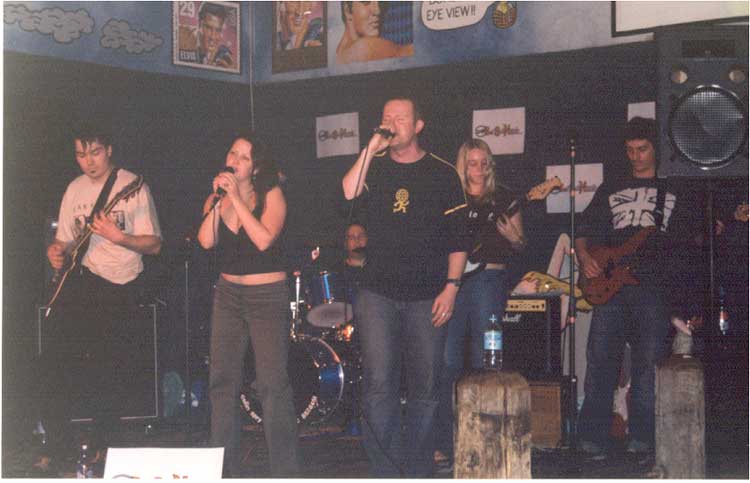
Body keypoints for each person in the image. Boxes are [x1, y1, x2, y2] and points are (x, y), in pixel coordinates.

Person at [342, 97, 470, 476]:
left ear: (418, 126)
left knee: (425, 387)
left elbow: (459, 239)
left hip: (427, 295)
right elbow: (348, 192)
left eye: (400, 118)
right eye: (386, 117)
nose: (392, 123)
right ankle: (386, 470)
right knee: (378, 384)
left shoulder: (442, 173)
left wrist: (451, 287)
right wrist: (370, 149)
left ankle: (417, 470)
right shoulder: (376, 166)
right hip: (377, 293)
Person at [36, 122, 162, 473]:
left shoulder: (132, 185)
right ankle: (57, 445)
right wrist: (55, 252)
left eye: (94, 152)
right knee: (52, 360)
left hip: (121, 283)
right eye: (80, 154)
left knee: (107, 369)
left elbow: (154, 244)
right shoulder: (74, 188)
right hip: (83, 279)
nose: (88, 161)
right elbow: (63, 240)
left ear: (109, 150)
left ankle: (106, 447)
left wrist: (120, 237)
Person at [574, 117, 698, 455]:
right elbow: (584, 228)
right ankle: (591, 436)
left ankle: (643, 438)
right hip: (611, 285)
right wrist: (585, 258)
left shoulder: (674, 188)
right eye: (629, 150)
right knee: (600, 360)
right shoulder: (612, 186)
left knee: (648, 365)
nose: (635, 157)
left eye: (642, 149)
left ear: (656, 148)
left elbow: (689, 243)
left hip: (653, 285)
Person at [197, 130, 299, 477]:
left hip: (266, 296)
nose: (235, 160)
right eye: (232, 153)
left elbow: (263, 240)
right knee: (221, 383)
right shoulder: (218, 197)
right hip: (228, 295)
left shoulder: (272, 194)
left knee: (272, 385)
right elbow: (205, 241)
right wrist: (218, 202)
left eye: (244, 156)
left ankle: (285, 472)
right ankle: (222, 470)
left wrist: (237, 198)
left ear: (255, 166)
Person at [434, 138, 526, 466]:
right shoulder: (451, 197)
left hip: (489, 279)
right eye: (473, 162)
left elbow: (521, 244)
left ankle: (483, 442)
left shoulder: (503, 197)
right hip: (454, 284)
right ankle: (446, 441)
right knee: (447, 361)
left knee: (484, 359)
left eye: (484, 162)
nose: (480, 168)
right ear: (462, 165)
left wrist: (513, 237)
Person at [336, 1, 414, 64]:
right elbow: (417, 53)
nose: (377, 11)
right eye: (366, 2)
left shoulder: (340, 52)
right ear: (347, 10)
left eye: (380, 2)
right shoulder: (363, 48)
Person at [178, 2, 234, 68]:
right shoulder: (181, 37)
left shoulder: (222, 53)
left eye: (218, 30)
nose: (213, 36)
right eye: (208, 28)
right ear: (199, 24)